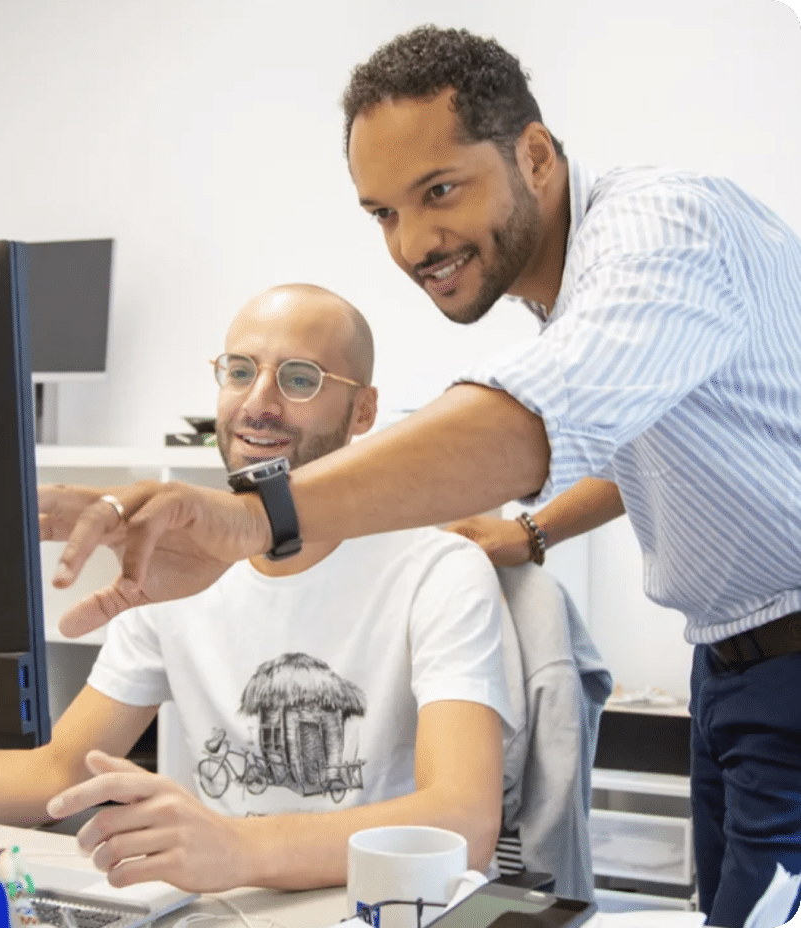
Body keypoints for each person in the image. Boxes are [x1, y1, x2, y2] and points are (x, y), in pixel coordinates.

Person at [39, 26, 801, 927]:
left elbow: (528, 422)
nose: (413, 245)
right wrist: (532, 532)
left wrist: (251, 522)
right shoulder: (569, 293)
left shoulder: (660, 229)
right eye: (384, 214)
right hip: (732, 659)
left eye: (439, 191)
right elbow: (666, 440)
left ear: (536, 154)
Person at [0, 282, 513, 894]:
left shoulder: (438, 570)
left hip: (376, 902)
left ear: (363, 411)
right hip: (228, 908)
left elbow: (463, 823)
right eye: (239, 371)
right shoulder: (175, 563)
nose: (259, 403)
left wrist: (236, 847)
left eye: (300, 379)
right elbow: (60, 771)